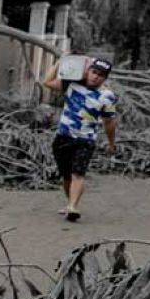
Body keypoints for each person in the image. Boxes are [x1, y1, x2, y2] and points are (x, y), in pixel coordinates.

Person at [41, 56, 119, 223]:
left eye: (101, 75)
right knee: (66, 176)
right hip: (63, 136)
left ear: (105, 78)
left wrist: (112, 143)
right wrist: (59, 62)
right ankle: (70, 203)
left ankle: (73, 207)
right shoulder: (71, 84)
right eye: (94, 72)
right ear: (87, 71)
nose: (95, 77)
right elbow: (47, 82)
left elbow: (109, 122)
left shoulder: (107, 96)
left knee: (78, 173)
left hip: (85, 140)